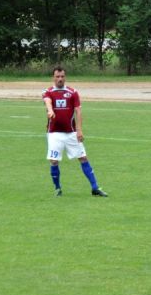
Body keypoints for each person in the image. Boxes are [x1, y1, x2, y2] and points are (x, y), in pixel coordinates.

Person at [43, 66, 108, 197]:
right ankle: (57, 188)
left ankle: (95, 188)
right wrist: (50, 110)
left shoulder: (72, 92)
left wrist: (79, 130)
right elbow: (47, 101)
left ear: (65, 77)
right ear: (53, 77)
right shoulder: (48, 91)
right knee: (54, 161)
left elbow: (78, 111)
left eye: (62, 76)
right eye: (57, 76)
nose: (60, 79)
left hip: (71, 133)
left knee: (83, 158)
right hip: (54, 133)